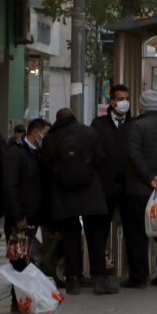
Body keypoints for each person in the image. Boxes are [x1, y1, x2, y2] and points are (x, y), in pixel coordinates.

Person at [42, 108, 117, 295]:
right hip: (90, 190)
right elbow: (100, 158)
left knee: (70, 237)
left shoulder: (50, 138)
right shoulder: (88, 132)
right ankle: (100, 279)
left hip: (63, 193)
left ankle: (73, 280)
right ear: (74, 117)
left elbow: (46, 166)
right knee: (95, 236)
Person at [122, 89, 157, 288]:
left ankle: (139, 277)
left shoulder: (135, 127)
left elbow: (133, 155)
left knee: (137, 234)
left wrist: (149, 178)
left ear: (141, 106)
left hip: (138, 189)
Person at [1, 118, 51, 313]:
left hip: (33, 214)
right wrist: (18, 215)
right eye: (45, 134)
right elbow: (10, 186)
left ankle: (26, 298)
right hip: (20, 217)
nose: (45, 138)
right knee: (18, 259)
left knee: (29, 258)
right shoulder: (15, 153)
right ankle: (18, 300)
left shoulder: (35, 153)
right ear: (35, 132)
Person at [89, 83, 132, 268]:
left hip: (128, 185)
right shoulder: (98, 124)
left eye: (127, 99)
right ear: (112, 102)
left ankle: (134, 272)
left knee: (131, 229)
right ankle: (99, 270)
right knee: (101, 229)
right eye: (121, 99)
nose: (124, 103)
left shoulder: (133, 124)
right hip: (105, 186)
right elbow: (94, 151)